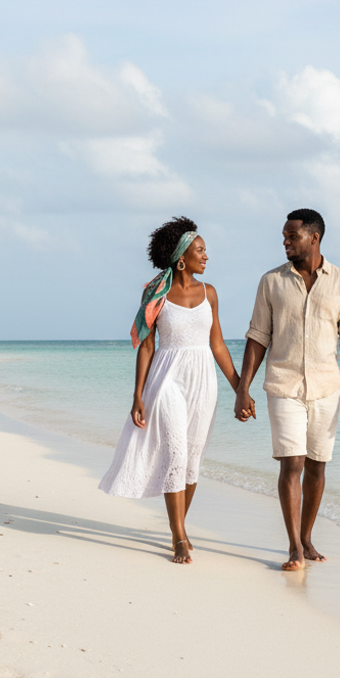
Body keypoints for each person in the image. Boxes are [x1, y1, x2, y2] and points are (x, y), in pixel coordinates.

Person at [99, 217, 240, 564]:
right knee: (175, 454)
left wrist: (240, 388)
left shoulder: (210, 293)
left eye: (205, 250)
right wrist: (138, 395)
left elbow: (218, 345)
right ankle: (179, 536)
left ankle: (179, 526)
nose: (206, 256)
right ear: (182, 258)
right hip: (167, 379)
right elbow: (146, 347)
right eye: (200, 250)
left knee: (191, 460)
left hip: (203, 380)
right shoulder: (157, 294)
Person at [234, 209, 340, 571]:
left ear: (314, 237)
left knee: (317, 466)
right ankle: (293, 547)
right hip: (284, 384)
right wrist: (242, 388)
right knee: (292, 462)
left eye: (292, 236)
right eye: (284, 236)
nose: (285, 242)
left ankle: (307, 537)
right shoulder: (271, 282)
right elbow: (258, 337)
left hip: (327, 387)